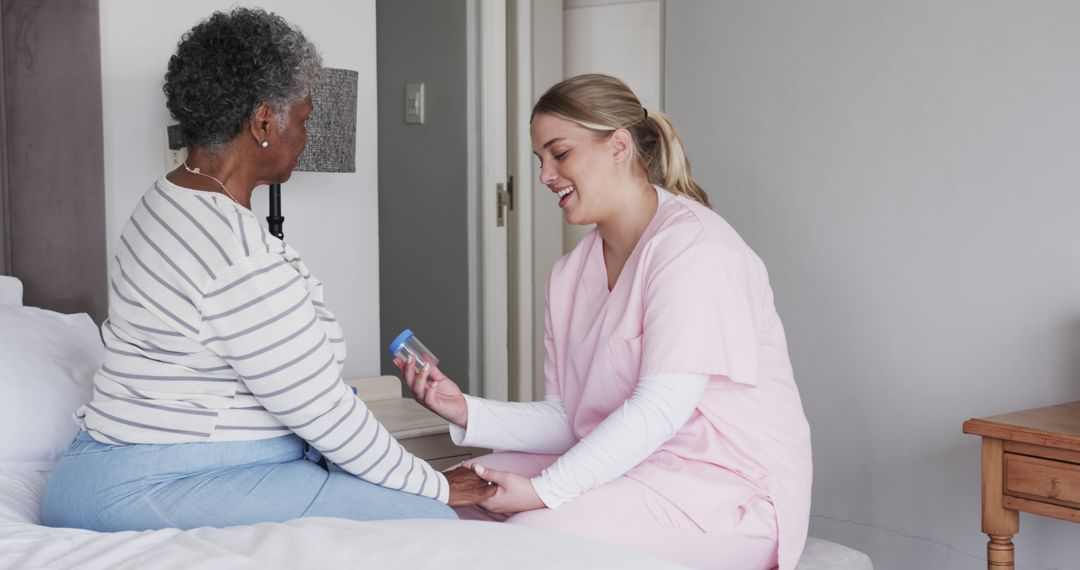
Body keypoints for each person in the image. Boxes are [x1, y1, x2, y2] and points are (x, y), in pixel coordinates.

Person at [41, 7, 492, 532]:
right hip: (148, 482)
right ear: (261, 122)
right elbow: (322, 411)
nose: (303, 137)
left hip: (115, 469)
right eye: (301, 119)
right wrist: (435, 484)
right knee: (424, 519)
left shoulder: (163, 201)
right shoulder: (235, 251)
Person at [399, 74, 812, 569]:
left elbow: (659, 409)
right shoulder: (570, 274)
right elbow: (567, 417)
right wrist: (464, 409)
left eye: (560, 154)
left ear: (618, 147)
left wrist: (543, 492)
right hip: (632, 468)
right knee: (448, 494)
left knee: (531, 535)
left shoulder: (696, 249)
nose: (545, 175)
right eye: (540, 160)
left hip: (724, 490)